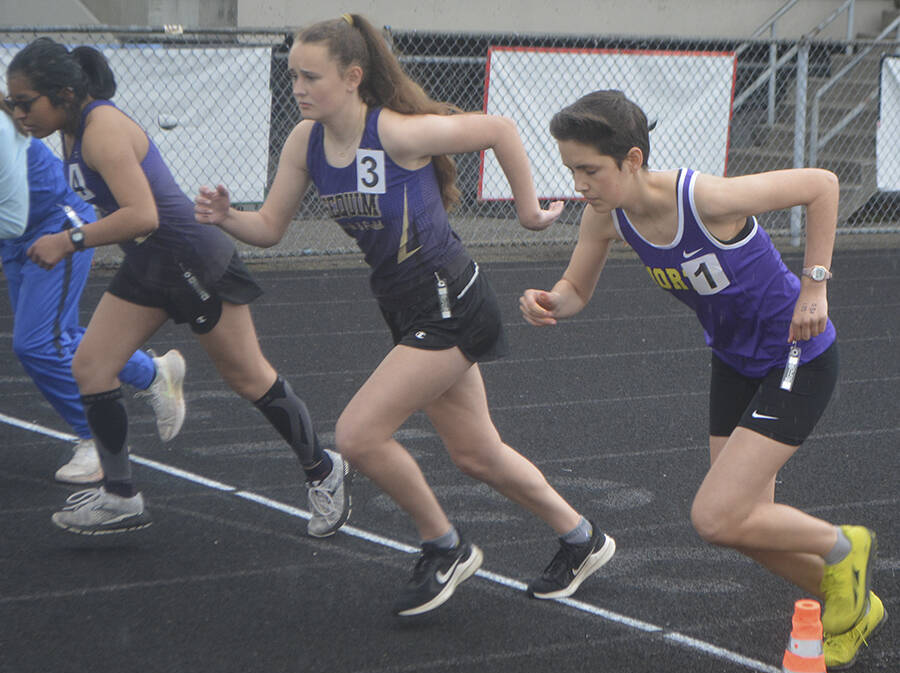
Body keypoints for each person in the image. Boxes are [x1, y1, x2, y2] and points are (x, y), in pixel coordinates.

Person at [194, 13, 615, 617]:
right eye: (293, 77)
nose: (299, 88)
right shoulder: (305, 143)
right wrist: (226, 218)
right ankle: (583, 538)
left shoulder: (394, 132)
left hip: (451, 301)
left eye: (311, 76)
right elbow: (269, 228)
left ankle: (444, 546)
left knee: (357, 435)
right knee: (476, 454)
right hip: (406, 306)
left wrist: (527, 213)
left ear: (352, 77)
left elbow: (499, 129)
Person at [519, 89, 884, 670]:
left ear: (632, 160)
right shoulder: (605, 217)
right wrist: (550, 301)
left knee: (714, 514)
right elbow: (576, 289)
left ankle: (845, 546)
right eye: (571, 171)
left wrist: (815, 286)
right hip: (734, 362)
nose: (579, 184)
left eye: (589, 170)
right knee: (739, 527)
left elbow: (822, 185)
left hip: (796, 354)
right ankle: (853, 600)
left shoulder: (704, 198)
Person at [6, 38, 350, 538]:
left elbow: (142, 215)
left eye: (25, 103)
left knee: (249, 378)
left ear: (63, 94)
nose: (19, 115)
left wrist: (69, 240)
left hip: (193, 262)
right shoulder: (68, 123)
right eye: (12, 103)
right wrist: (10, 105)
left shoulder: (102, 129)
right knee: (92, 367)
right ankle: (120, 496)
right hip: (149, 264)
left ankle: (323, 469)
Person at [1, 91, 185, 485]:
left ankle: (95, 438)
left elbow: (12, 216)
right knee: (55, 337)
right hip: (16, 239)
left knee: (37, 343)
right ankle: (153, 372)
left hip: (55, 225)